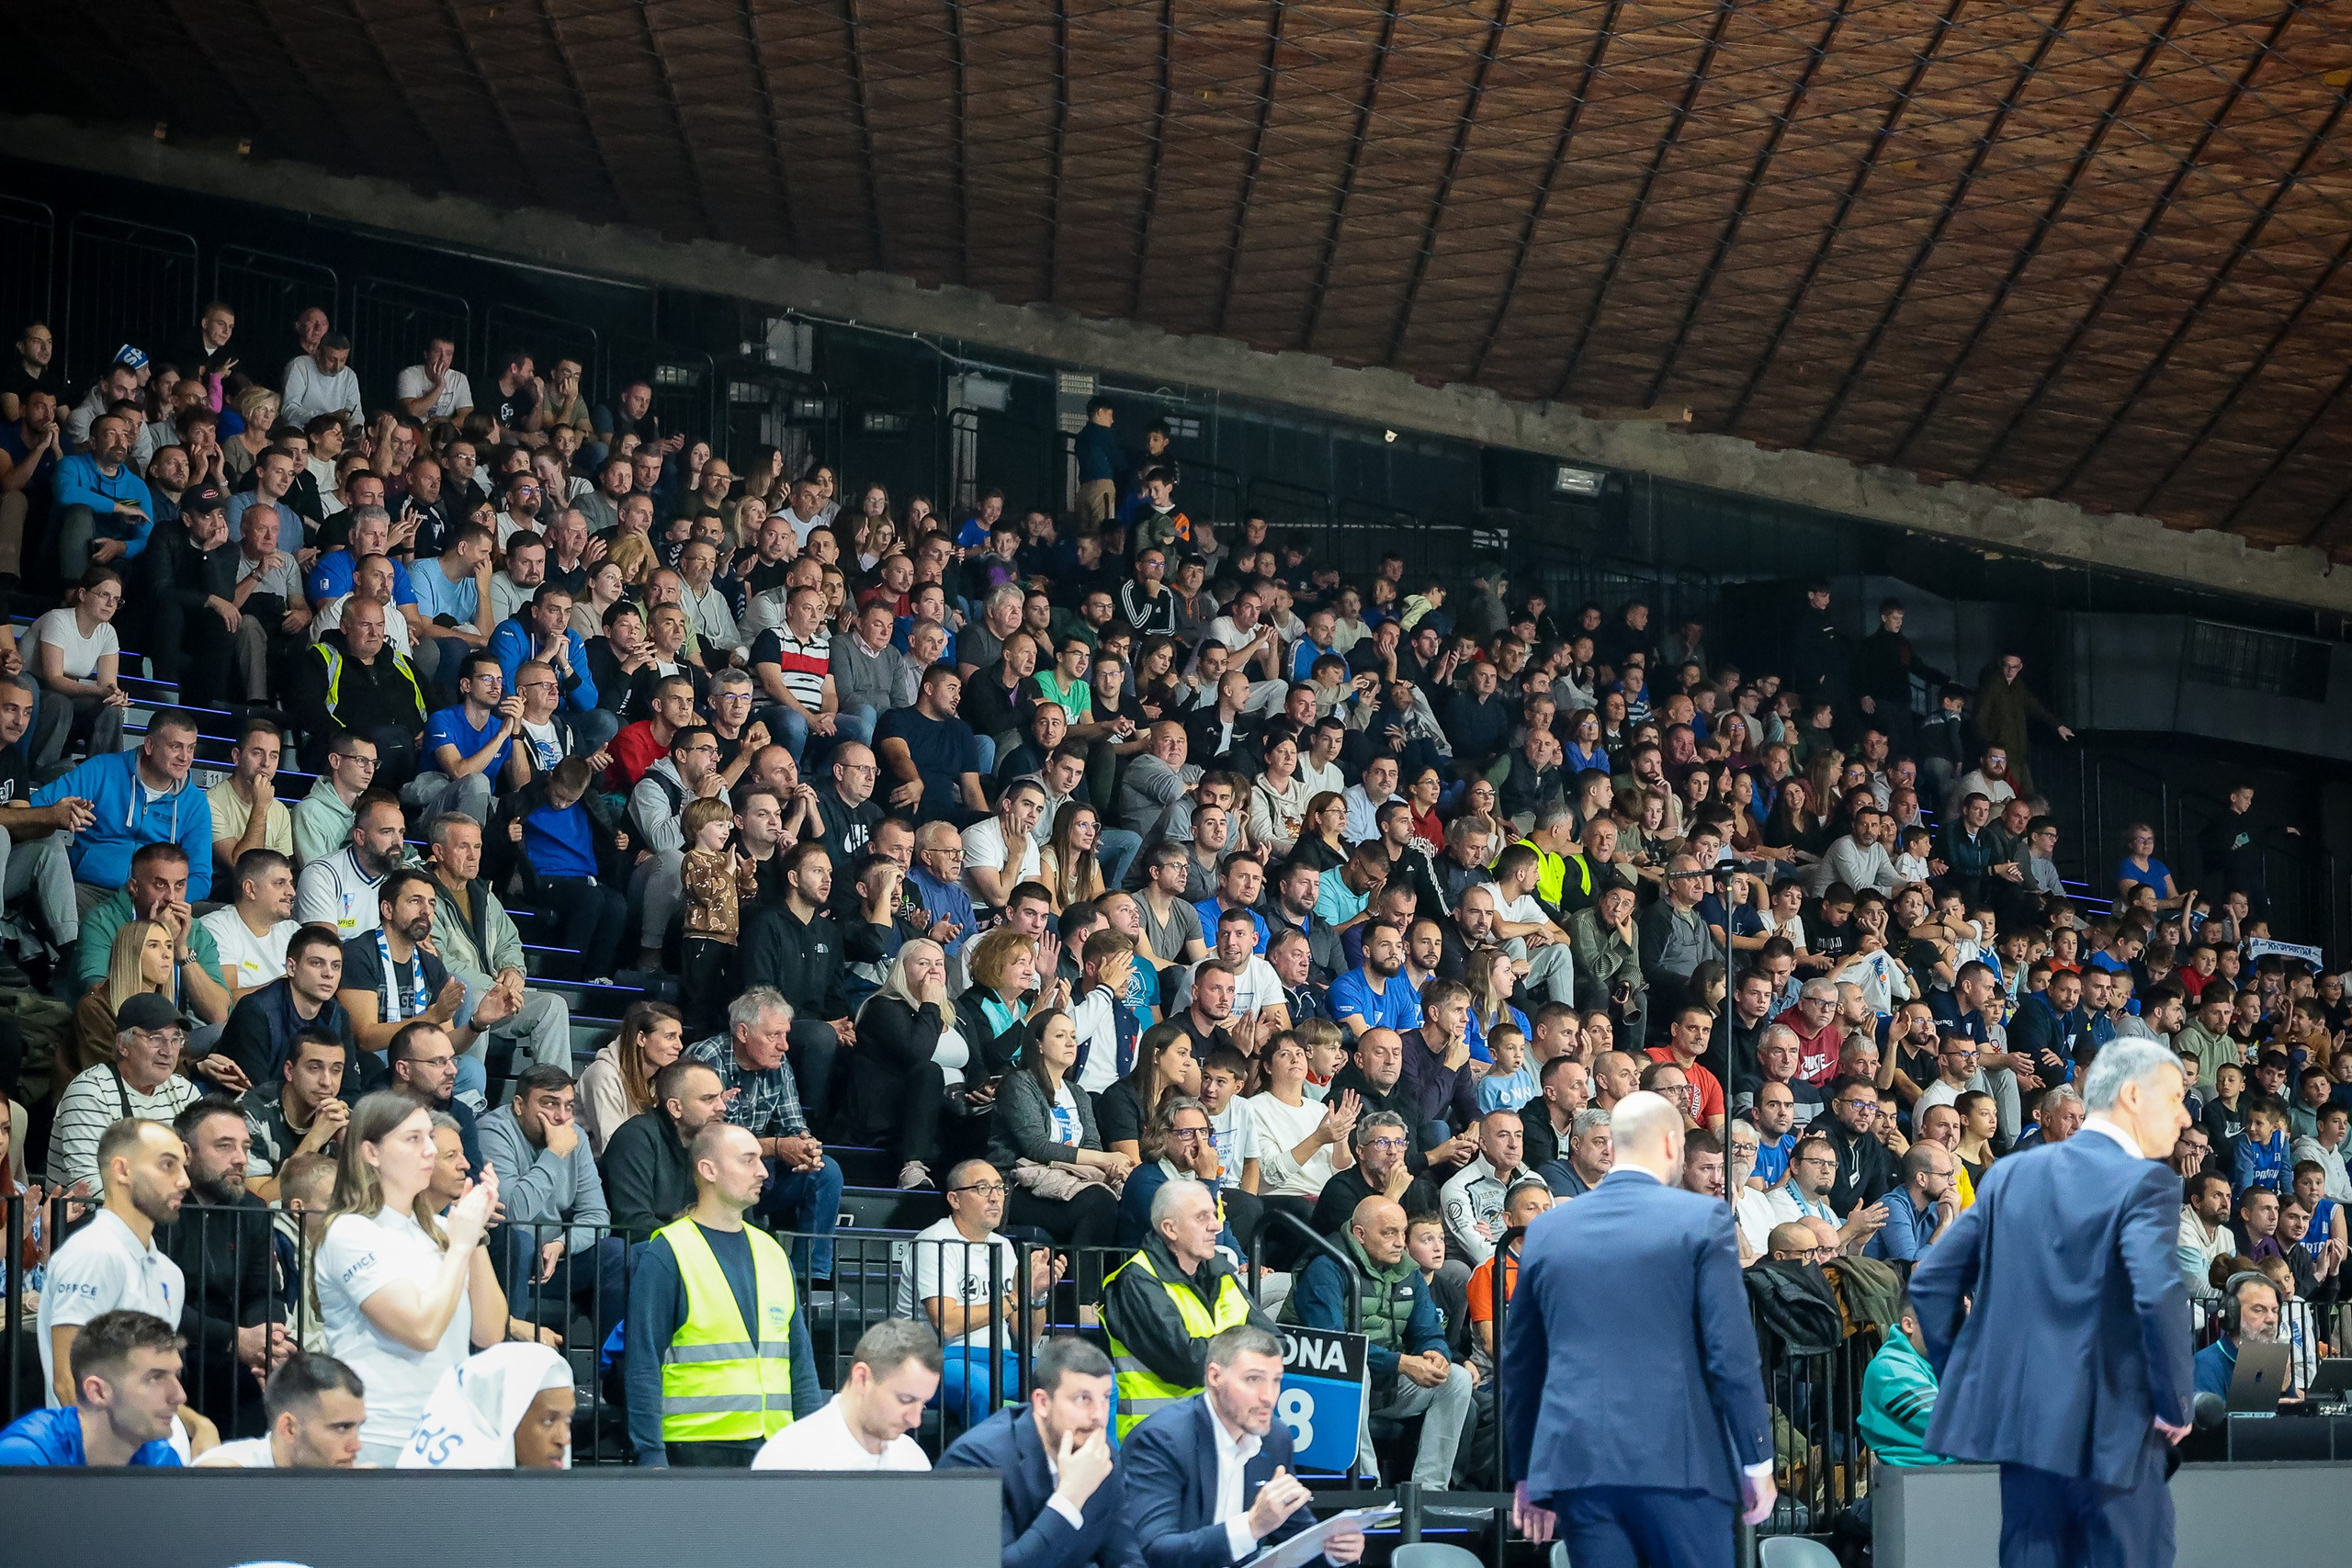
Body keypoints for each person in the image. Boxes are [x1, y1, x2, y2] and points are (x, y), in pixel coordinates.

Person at [1910, 1038, 2195, 1568]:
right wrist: (2174, 1398)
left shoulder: (2012, 1174)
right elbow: (2156, 1294)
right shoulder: (2145, 1182)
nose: (2182, 1117)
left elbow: (1930, 1285)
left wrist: (1968, 1376)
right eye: (2175, 1098)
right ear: (2132, 1096)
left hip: (2024, 1429)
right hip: (2114, 1431)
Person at [1504, 1091, 1775, 1564]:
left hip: (1579, 1468)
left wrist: (1528, 1474)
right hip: (1680, 1465)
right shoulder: (1701, 1219)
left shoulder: (1549, 1228)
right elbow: (1730, 1353)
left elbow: (1523, 1363)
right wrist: (1757, 1460)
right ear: (1673, 1144)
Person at [313, 1089, 508, 1467]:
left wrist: (474, 1233)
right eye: (413, 1139)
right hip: (380, 1437)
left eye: (430, 1138)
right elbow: (422, 1332)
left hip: (447, 1437)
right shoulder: (350, 1232)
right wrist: (460, 1243)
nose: (430, 1151)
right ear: (371, 1153)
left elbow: (488, 1333)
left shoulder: (441, 1230)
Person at [625, 1122, 823, 1467]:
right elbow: (643, 1362)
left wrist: (811, 1441)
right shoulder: (668, 1251)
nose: (762, 1171)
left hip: (775, 1445)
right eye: (748, 1160)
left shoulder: (773, 1251)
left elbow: (800, 1361)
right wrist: (650, 1454)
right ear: (708, 1170)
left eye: (761, 1160)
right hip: (695, 1447)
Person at [1119, 1323, 1368, 1568]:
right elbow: (1153, 1551)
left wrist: (1335, 1552)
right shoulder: (1162, 1440)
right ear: (1215, 1376)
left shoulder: (1276, 1437)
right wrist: (1251, 1527)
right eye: (1253, 1379)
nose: (1268, 1396)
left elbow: (1296, 1538)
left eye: (1276, 1380)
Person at [1286, 1195, 1475, 1488]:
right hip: (1321, 1382)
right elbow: (1332, 1347)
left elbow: (1428, 1331)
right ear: (1360, 1234)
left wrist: (1435, 1353)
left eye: (1402, 1232)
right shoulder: (1328, 1266)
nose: (1400, 1242)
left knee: (1456, 1379)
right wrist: (1400, 1362)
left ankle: (1430, 1490)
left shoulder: (1408, 1270)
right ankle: (1366, 1486)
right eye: (1389, 1233)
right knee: (1354, 1372)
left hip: (1384, 1380)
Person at [684, 987, 846, 1284]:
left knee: (826, 1172)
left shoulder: (778, 1064)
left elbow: (793, 1122)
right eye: (774, 1035)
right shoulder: (706, 1058)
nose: (785, 1046)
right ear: (743, 1032)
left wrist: (805, 1145)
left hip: (757, 1170)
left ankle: (811, 1277)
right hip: (709, 1175)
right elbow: (707, 1140)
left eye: (786, 1035)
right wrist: (777, 1146)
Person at [937, 1335, 1140, 1568]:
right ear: (1043, 1402)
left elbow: (1127, 1557)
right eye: (1083, 1399)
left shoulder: (1099, 1454)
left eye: (1104, 1398)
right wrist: (1070, 1497)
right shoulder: (976, 1460)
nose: (1098, 1415)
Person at [1101, 1177, 1272, 1439]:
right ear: (1170, 1229)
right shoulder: (1136, 1282)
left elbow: (1274, 1343)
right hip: (1156, 1442)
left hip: (1220, 1435)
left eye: (1214, 1215)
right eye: (1202, 1217)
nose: (1215, 1226)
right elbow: (1189, 1363)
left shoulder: (1221, 1274)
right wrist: (1248, 1353)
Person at [479, 1064, 625, 1346]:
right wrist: (554, 1152)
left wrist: (561, 1244)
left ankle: (612, 1376)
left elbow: (597, 1215)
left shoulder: (576, 1138)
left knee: (615, 1253)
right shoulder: (494, 1132)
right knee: (518, 1242)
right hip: (505, 1260)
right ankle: (508, 1361)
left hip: (552, 1259)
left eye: (569, 1106)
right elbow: (514, 1213)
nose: (561, 1117)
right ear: (519, 1105)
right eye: (549, 1104)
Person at [45, 995, 206, 1195]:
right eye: (156, 1039)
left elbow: (204, 1167)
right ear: (122, 1044)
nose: (168, 1051)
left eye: (175, 1040)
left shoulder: (185, 1092)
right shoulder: (90, 1093)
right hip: (91, 1221)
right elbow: (88, 1189)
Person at [0, 1309, 187, 1467]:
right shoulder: (24, 1458)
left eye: (176, 1375)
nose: (179, 1396)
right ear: (97, 1392)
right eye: (155, 1378)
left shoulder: (160, 1459)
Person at [752, 1318, 942, 1470]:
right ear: (862, 1378)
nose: (915, 1421)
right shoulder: (789, 1457)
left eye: (923, 1405)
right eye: (905, 1400)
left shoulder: (912, 1459)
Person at [193, 1351, 368, 1468]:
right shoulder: (224, 1476)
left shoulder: (338, 1485)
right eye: (341, 1428)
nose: (356, 1446)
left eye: (357, 1427)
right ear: (289, 1428)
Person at [2193, 1270, 2292, 1404]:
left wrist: (2285, 1391)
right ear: (2233, 1314)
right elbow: (2217, 1423)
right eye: (2258, 1309)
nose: (2271, 1319)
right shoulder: (2206, 1364)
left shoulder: (2273, 1362)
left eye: (2274, 1310)